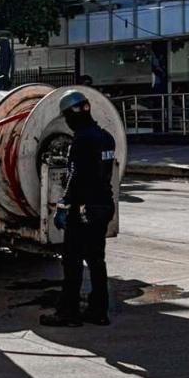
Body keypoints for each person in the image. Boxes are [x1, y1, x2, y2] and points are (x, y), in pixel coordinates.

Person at [40, 90, 117, 329]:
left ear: (71, 115)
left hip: (83, 209)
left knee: (72, 262)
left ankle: (68, 313)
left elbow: (74, 177)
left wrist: (63, 206)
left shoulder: (81, 140)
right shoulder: (106, 137)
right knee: (97, 260)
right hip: (104, 205)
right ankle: (98, 310)